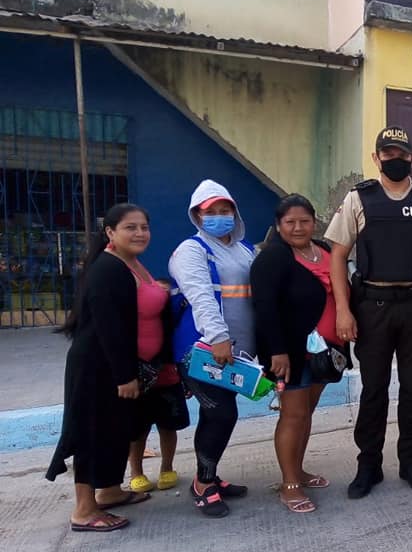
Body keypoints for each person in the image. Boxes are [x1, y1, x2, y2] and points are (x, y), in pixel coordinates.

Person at [326, 126, 412, 499]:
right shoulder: (359, 199)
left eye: (402, 154)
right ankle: (368, 465)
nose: (395, 159)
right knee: (374, 390)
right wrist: (343, 310)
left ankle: (411, 461)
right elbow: (338, 255)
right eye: (388, 154)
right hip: (372, 307)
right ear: (376, 158)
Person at [46, 204, 152, 532]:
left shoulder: (127, 263)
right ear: (110, 232)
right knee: (92, 432)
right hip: (98, 367)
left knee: (113, 430)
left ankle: (109, 491)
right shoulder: (108, 269)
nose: (139, 233)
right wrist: (124, 375)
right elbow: (110, 328)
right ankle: (84, 510)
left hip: (112, 363)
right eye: (130, 227)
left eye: (144, 227)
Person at [251, 194, 347, 513]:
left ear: (314, 222)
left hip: (325, 353)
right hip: (289, 353)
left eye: (304, 221)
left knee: (306, 412)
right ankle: (289, 484)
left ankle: (298, 469)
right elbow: (264, 308)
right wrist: (276, 351)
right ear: (278, 225)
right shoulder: (272, 257)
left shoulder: (324, 250)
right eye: (290, 222)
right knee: (292, 415)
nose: (297, 227)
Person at [169, 180, 256, 518]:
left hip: (235, 354)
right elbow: (201, 296)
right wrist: (218, 337)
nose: (219, 217)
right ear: (197, 216)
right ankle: (203, 484)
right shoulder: (191, 250)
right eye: (211, 212)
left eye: (225, 210)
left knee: (216, 414)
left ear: (235, 213)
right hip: (203, 350)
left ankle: (210, 475)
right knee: (221, 413)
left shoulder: (244, 250)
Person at [127, 276, 190, 494]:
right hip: (141, 381)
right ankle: (136, 473)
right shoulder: (135, 319)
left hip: (167, 378)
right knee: (138, 431)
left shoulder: (172, 318)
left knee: (168, 427)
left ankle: (167, 468)